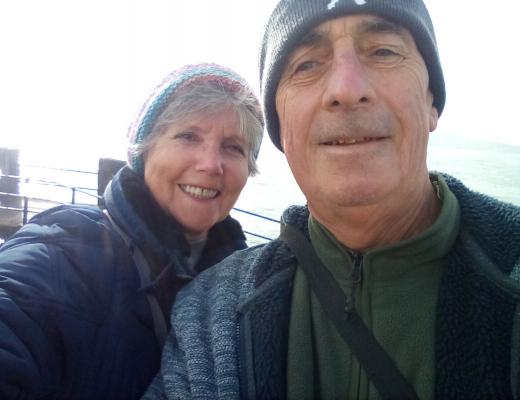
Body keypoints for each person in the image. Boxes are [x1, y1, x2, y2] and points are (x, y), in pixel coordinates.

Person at [144, 1, 520, 399]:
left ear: (432, 102)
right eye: (306, 65)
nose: (346, 89)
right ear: (281, 127)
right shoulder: (208, 315)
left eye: (383, 51)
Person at [0, 63, 264, 399]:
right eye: (188, 136)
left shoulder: (247, 288)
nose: (211, 164)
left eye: (233, 147)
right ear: (144, 149)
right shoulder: (63, 253)